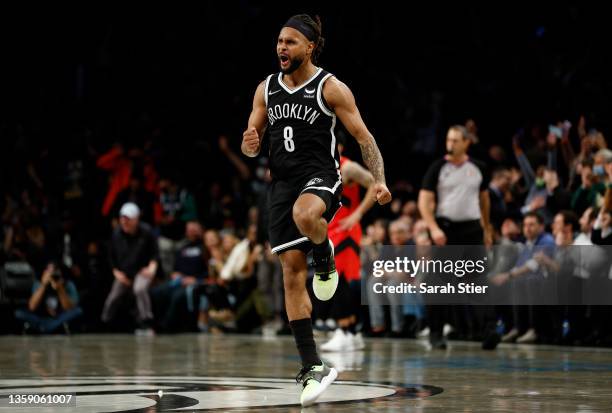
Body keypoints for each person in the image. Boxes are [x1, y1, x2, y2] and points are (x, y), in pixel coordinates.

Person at [241, 14, 391, 407]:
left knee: (306, 216)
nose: (281, 48)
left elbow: (364, 137)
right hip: (282, 185)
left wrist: (379, 180)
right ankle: (313, 366)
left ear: (310, 47)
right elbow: (251, 146)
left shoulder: (330, 87)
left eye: (290, 42)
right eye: (278, 41)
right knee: (291, 274)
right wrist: (249, 143)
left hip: (322, 176)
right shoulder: (265, 89)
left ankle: (324, 255)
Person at [418, 125, 498, 350]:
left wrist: (486, 229)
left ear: (466, 143)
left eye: (455, 140)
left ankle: (490, 330)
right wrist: (433, 228)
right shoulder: (438, 168)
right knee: (437, 285)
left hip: (472, 231)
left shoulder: (478, 168)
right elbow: (424, 201)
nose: (450, 144)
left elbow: (484, 200)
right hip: (446, 230)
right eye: (448, 140)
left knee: (479, 282)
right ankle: (436, 333)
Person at [320, 143, 376, 351]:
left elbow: (374, 183)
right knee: (338, 281)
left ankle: (344, 331)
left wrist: (358, 214)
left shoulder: (348, 167)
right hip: (331, 230)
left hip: (346, 230)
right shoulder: (320, 169)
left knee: (338, 280)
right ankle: (352, 331)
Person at [101, 202, 159, 335]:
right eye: (123, 218)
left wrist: (151, 268)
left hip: (141, 270)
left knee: (140, 289)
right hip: (123, 273)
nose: (124, 222)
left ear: (136, 219)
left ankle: (146, 321)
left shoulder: (146, 232)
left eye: (128, 219)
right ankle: (106, 321)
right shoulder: (116, 234)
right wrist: (117, 273)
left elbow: (155, 254)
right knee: (114, 296)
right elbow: (111, 257)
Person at [14, 262, 83, 334]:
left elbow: (68, 308)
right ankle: (51, 328)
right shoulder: (38, 283)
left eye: (54, 272)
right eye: (49, 272)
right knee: (19, 313)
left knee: (78, 311)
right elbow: (32, 307)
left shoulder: (68, 284)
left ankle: (45, 328)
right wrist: (43, 285)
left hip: (58, 318)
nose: (52, 275)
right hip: (41, 318)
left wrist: (60, 288)